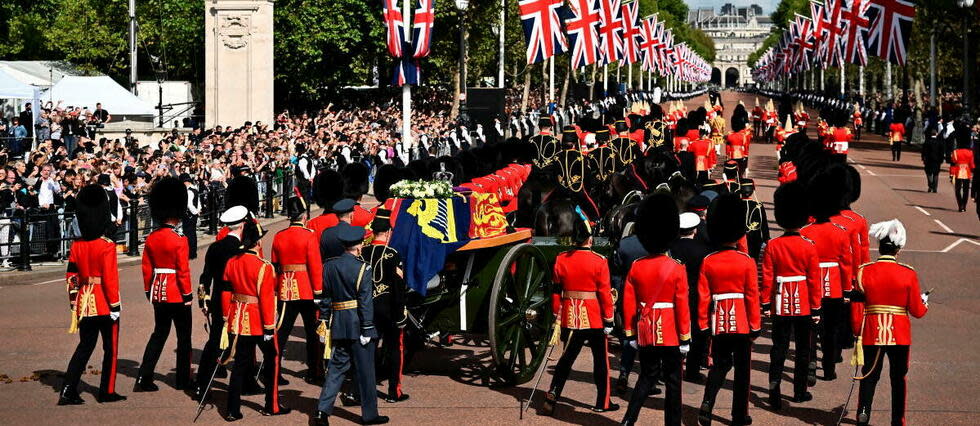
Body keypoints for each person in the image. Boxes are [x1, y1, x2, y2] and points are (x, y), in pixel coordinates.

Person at [851, 219, 928, 426]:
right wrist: (924, 302)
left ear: (880, 247)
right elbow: (917, 311)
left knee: (869, 375)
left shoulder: (863, 271)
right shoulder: (908, 273)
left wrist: (857, 329)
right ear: (898, 249)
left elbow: (858, 304)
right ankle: (897, 420)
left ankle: (863, 413)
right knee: (898, 378)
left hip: (873, 331)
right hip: (899, 334)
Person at [620, 194, 689, 426]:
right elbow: (681, 306)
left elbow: (628, 302)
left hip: (646, 330)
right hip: (670, 332)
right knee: (673, 382)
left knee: (646, 377)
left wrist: (629, 334)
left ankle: (629, 420)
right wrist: (685, 337)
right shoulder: (676, 268)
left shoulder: (637, 266)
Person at [541, 209, 618, 416]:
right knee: (601, 361)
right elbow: (604, 294)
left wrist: (558, 315)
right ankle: (603, 401)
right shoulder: (599, 261)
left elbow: (557, 293)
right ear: (588, 238)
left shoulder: (561, 259)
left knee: (566, 361)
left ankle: (553, 393)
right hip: (593, 318)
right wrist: (609, 318)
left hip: (570, 317)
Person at [315, 225, 389, 425]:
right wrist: (367, 327)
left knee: (336, 370)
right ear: (359, 246)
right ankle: (369, 414)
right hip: (358, 325)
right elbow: (365, 301)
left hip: (339, 322)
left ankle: (322, 411)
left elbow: (326, 298)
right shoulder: (363, 268)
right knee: (366, 372)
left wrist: (323, 320)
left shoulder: (329, 266)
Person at [697, 193, 760, 426]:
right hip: (742, 321)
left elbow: (704, 297)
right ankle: (739, 415)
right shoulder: (746, 261)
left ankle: (707, 403)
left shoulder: (709, 261)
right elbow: (752, 296)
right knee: (743, 372)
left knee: (719, 366)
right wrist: (755, 325)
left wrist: (703, 324)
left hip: (718, 320)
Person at [59, 185, 125, 405]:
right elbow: (110, 280)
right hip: (105, 304)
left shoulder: (77, 246)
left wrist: (74, 300)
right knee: (111, 349)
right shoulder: (106, 246)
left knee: (84, 348)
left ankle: (67, 389)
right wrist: (115, 306)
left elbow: (71, 276)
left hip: (85, 302)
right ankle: (107, 391)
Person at [761, 182, 821, 409]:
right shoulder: (809, 246)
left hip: (779, 303)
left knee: (779, 349)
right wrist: (816, 308)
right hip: (803, 303)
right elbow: (814, 280)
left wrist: (765, 303)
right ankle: (799, 391)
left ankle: (774, 393)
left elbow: (767, 277)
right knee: (803, 350)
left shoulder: (773, 245)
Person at [222, 218, 290, 420]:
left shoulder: (232, 262)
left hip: (238, 317)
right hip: (259, 321)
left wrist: (228, 316)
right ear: (257, 242)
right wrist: (270, 328)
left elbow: (226, 292)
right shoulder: (264, 266)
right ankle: (272, 405)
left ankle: (232, 410)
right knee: (272, 360)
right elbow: (267, 300)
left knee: (239, 365)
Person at [193, 206, 260, 401]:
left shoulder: (214, 247)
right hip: (238, 299)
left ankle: (201, 385)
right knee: (244, 342)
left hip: (216, 300)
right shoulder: (241, 249)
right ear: (242, 226)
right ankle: (247, 383)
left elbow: (205, 277)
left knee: (214, 343)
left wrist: (203, 301)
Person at [135, 177, 194, 392]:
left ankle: (143, 377)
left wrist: (149, 290)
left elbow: (146, 268)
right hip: (176, 294)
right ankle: (182, 380)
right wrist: (187, 295)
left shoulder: (152, 238)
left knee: (159, 334)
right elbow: (183, 271)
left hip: (158, 291)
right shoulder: (179, 240)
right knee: (184, 337)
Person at [800, 166, 854, 382]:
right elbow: (846, 264)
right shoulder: (840, 233)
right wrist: (847, 289)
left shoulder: (805, 232)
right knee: (831, 330)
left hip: (810, 285)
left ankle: (811, 363)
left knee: (812, 328)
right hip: (834, 286)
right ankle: (829, 368)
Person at [272, 194, 324, 385]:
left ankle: (275, 371)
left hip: (286, 289)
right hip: (307, 289)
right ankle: (314, 371)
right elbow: (315, 266)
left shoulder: (279, 236)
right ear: (304, 216)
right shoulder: (309, 235)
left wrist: (277, 290)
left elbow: (275, 267)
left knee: (282, 333)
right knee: (312, 334)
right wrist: (318, 291)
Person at [361, 209, 410, 403]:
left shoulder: (362, 252)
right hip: (389, 310)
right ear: (388, 232)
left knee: (368, 350)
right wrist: (401, 314)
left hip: (367, 309)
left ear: (373, 232)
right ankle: (393, 392)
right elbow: (398, 289)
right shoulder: (393, 254)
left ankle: (364, 389)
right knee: (394, 349)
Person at [670, 212, 711, 383]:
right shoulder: (702, 250)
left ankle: (672, 369)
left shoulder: (670, 248)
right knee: (696, 333)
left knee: (672, 331)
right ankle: (692, 371)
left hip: (672, 294)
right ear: (694, 230)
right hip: (695, 294)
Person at [951, 129, 975, 212]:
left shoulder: (955, 152)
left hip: (958, 172)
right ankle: (964, 206)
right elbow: (972, 165)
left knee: (957, 190)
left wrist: (951, 174)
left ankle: (960, 205)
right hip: (967, 172)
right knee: (965, 190)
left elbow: (953, 163)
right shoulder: (970, 152)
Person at [182, 173, 202, 257]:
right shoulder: (195, 189)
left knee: (188, 234)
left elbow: (189, 204)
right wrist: (198, 210)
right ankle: (193, 252)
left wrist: (194, 212)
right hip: (193, 215)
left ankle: (190, 253)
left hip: (189, 215)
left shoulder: (189, 191)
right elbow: (198, 202)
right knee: (193, 234)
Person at [921, 124, 945, 193]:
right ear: (936, 134)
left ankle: (930, 185)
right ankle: (935, 188)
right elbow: (942, 152)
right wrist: (941, 159)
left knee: (928, 173)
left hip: (928, 160)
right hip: (937, 160)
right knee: (936, 174)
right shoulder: (939, 142)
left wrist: (923, 158)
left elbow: (924, 151)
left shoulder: (927, 142)